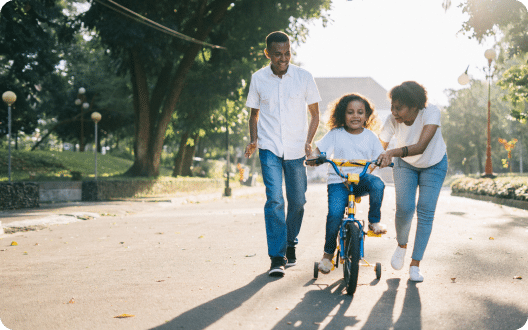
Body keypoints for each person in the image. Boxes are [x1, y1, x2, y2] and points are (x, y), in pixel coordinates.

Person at [244, 31, 321, 277]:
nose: (283, 58)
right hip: (269, 148)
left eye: (287, 53)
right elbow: (254, 114)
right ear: (267, 54)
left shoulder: (304, 77)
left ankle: (290, 243)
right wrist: (254, 140)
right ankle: (277, 257)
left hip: (297, 149)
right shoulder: (258, 78)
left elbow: (315, 114)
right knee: (275, 200)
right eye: (277, 54)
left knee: (298, 202)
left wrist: (309, 142)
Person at [377, 81, 448, 282]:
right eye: (392, 106)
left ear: (415, 106)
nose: (394, 112)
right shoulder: (392, 120)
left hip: (434, 163)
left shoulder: (430, 113)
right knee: (405, 208)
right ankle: (401, 245)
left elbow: (421, 146)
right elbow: (377, 147)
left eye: (399, 107)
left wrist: (391, 152)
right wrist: (365, 167)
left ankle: (415, 265)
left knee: (425, 211)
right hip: (405, 165)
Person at [308, 93, 387, 274]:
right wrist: (314, 157)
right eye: (350, 112)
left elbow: (380, 155)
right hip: (338, 181)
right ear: (343, 115)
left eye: (360, 112)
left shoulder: (370, 136)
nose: (355, 116)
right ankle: (327, 256)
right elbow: (318, 150)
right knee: (335, 214)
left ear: (367, 116)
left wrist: (383, 159)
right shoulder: (335, 134)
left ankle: (374, 221)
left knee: (378, 184)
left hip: (360, 180)